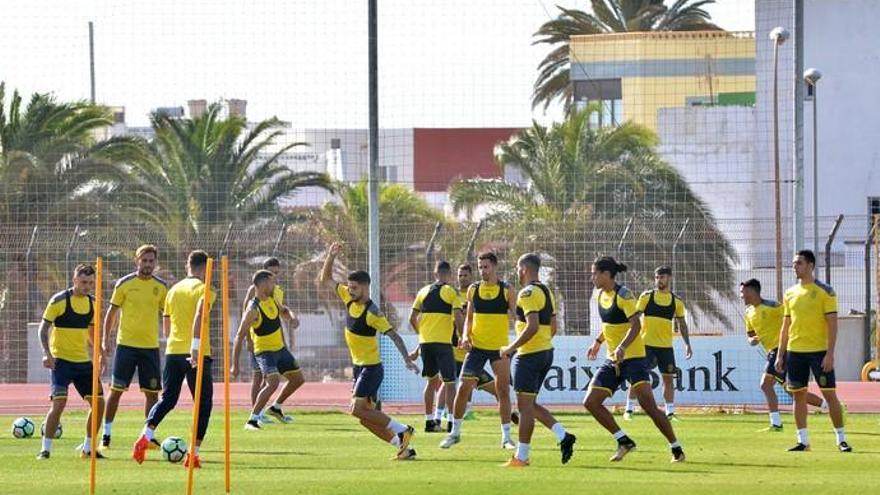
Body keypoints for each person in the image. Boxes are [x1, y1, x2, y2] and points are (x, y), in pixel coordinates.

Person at [318, 242, 420, 460]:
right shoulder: (348, 298)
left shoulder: (373, 313)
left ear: (364, 288)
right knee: (365, 418)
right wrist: (330, 256)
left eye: (354, 288)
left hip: (371, 368)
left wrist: (407, 360)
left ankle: (404, 429)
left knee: (357, 409)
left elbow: (394, 335)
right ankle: (402, 446)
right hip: (359, 368)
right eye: (349, 286)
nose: (350, 290)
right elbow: (325, 280)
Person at [584, 257, 685, 463]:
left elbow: (636, 326)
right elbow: (609, 325)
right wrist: (598, 341)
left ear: (605, 274)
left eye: (594, 273)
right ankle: (623, 440)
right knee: (591, 402)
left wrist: (622, 347)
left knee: (648, 406)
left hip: (635, 359)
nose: (591, 277)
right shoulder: (599, 294)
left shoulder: (625, 295)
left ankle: (676, 448)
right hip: (613, 359)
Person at [133, 250, 215, 468]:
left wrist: (174, 345)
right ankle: (193, 454)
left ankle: (145, 434)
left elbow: (166, 324)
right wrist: (195, 348)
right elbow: (200, 315)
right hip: (196, 353)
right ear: (206, 268)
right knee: (203, 403)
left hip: (173, 351)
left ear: (187, 266)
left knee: (168, 399)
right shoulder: (204, 289)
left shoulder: (173, 290)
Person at [499, 253, 576, 467]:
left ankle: (521, 457)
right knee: (529, 404)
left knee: (524, 408)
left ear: (523, 268)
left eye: (517, 267)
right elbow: (553, 326)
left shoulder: (527, 293)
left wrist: (511, 348)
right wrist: (541, 343)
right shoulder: (546, 291)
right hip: (545, 352)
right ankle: (563, 435)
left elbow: (532, 326)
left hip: (528, 356)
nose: (516, 271)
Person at [774, 250, 851, 452]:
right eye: (793, 263)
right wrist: (781, 354)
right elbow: (786, 326)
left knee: (829, 394)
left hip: (818, 352)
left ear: (810, 265)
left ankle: (841, 439)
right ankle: (803, 441)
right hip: (795, 352)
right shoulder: (790, 293)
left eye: (798, 263)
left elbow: (833, 325)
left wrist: (830, 353)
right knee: (798, 396)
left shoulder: (826, 291)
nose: (794, 267)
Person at [441, 252, 516, 450]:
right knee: (463, 388)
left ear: (495, 267)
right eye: (480, 267)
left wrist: (515, 345)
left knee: (503, 391)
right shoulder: (473, 289)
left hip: (499, 349)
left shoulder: (507, 290)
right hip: (477, 348)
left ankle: (506, 438)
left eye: (486, 267)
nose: (483, 271)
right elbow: (469, 318)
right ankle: (454, 433)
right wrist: (465, 336)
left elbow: (518, 318)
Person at [101, 244, 168, 449]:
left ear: (155, 263)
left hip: (150, 348)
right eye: (144, 260)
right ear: (136, 261)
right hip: (126, 347)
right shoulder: (124, 284)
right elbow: (111, 314)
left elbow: (167, 314)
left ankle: (147, 436)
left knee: (152, 394)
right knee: (116, 391)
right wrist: (105, 339)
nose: (147, 264)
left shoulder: (161, 287)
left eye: (151, 261)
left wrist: (170, 337)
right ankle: (106, 434)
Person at [36, 264, 105, 460]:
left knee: (99, 403)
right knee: (59, 403)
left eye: (91, 283)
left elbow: (92, 331)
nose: (87, 286)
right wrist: (46, 353)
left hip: (83, 363)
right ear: (74, 280)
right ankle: (45, 449)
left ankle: (88, 448)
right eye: (83, 282)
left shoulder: (93, 303)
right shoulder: (58, 300)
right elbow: (43, 329)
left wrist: (100, 351)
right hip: (61, 362)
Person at [740, 278, 826, 431]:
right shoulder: (748, 313)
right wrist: (751, 340)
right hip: (772, 353)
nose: (741, 296)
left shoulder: (774, 307)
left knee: (766, 385)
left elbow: (791, 319)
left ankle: (776, 423)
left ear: (752, 291)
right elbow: (750, 335)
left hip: (782, 350)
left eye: (743, 292)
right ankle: (830, 406)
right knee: (793, 391)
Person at [231, 270, 304, 430]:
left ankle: (275, 408)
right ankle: (252, 420)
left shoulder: (272, 299)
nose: (274, 285)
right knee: (273, 383)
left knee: (298, 379)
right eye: (272, 282)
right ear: (263, 284)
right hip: (264, 352)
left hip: (280, 349)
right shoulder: (253, 309)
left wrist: (292, 318)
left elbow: (284, 310)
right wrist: (234, 365)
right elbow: (239, 336)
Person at [624, 266, 691, 420]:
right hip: (646, 345)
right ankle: (629, 409)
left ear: (669, 278)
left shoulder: (677, 302)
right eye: (657, 277)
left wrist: (687, 344)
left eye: (662, 277)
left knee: (668, 378)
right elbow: (634, 318)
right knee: (638, 377)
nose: (659, 280)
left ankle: (669, 412)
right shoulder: (646, 297)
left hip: (666, 347)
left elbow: (682, 324)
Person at [408, 261, 462, 433]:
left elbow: (411, 318)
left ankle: (429, 422)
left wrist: (421, 337)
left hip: (426, 344)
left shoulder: (423, 291)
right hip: (443, 344)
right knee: (450, 382)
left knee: (431, 382)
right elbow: (459, 318)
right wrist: (462, 337)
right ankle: (452, 423)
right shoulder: (450, 291)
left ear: (435, 274)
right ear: (449, 275)